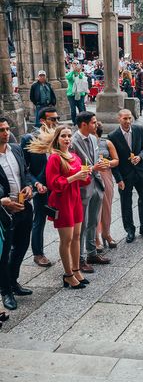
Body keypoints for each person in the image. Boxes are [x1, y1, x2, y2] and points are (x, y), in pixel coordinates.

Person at [36, 126, 92, 291]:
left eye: (69, 136)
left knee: (76, 236)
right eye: (63, 136)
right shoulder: (54, 158)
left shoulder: (74, 156)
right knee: (66, 240)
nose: (67, 139)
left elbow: (83, 182)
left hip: (75, 199)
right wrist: (74, 177)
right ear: (57, 139)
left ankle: (75, 270)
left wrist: (85, 174)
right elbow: (52, 183)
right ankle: (67, 275)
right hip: (62, 201)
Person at [0, 118, 35, 310]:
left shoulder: (15, 149)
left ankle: (13, 281)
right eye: (1, 130)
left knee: (21, 246)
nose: (6, 133)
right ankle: (5, 292)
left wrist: (29, 186)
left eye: (7, 129)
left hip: (24, 206)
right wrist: (4, 202)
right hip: (4, 211)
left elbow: (25, 172)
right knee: (3, 254)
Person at [108, 109, 143, 243]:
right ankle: (130, 230)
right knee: (126, 203)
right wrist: (118, 179)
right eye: (125, 119)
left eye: (130, 118)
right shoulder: (113, 136)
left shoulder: (139, 129)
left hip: (140, 171)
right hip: (125, 174)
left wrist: (140, 157)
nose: (128, 121)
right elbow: (114, 160)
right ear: (119, 119)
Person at [71, 111, 109, 271]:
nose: (96, 124)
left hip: (96, 184)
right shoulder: (72, 141)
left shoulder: (94, 138)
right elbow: (73, 165)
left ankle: (92, 253)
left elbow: (93, 158)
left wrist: (100, 164)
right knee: (83, 224)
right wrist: (94, 167)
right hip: (83, 186)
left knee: (93, 220)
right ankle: (79, 259)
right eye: (93, 122)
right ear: (84, 124)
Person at [22, 107, 58, 267]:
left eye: (57, 119)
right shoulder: (30, 138)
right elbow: (24, 168)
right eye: (52, 119)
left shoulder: (58, 136)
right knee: (39, 220)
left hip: (59, 186)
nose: (56, 122)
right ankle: (38, 253)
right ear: (42, 120)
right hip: (41, 187)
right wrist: (36, 183)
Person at [94, 121, 119, 251]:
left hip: (106, 174)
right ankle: (96, 237)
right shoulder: (84, 143)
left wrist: (108, 163)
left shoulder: (106, 143)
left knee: (107, 205)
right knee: (95, 208)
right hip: (92, 175)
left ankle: (106, 233)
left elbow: (116, 160)